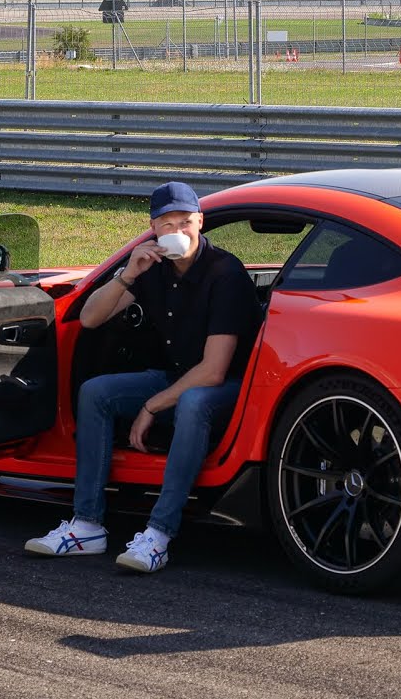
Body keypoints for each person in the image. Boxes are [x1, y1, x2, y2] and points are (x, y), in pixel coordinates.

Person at [25, 181, 259, 573]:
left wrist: (152, 406)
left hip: (236, 388)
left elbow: (214, 370)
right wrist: (127, 274)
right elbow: (89, 318)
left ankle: (159, 534)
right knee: (96, 392)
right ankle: (87, 525)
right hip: (176, 376)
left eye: (186, 222)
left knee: (193, 401)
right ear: (155, 229)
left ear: (200, 221)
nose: (179, 232)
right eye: (168, 225)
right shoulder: (150, 268)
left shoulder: (225, 272)